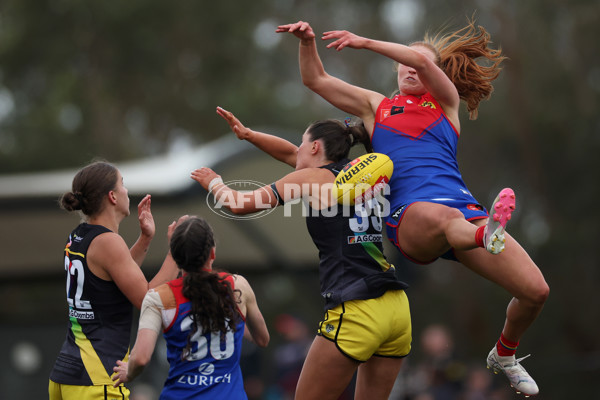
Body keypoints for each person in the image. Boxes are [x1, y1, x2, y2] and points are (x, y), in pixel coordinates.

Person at [276, 20, 549, 396]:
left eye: (420, 63)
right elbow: (316, 81)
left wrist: (366, 41)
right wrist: (307, 42)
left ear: (435, 73)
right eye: (405, 61)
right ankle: (485, 235)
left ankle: (504, 354)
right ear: (396, 68)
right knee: (445, 218)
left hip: (464, 211)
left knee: (535, 291)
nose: (410, 66)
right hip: (411, 218)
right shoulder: (377, 107)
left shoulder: (447, 104)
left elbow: (421, 65)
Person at [190, 107, 412, 400]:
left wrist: (213, 182)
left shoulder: (311, 178)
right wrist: (248, 135)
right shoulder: (358, 174)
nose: (296, 153)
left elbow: (238, 203)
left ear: (316, 147)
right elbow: (291, 153)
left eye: (303, 146)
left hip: (357, 308)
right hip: (396, 309)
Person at [48, 160, 180, 400]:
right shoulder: (109, 242)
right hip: (98, 378)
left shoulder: (79, 235)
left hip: (66, 376)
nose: (126, 191)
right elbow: (146, 300)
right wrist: (176, 253)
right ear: (112, 196)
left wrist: (145, 239)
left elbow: (113, 277)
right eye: (123, 184)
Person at [111, 216, 270, 400]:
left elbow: (140, 359)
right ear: (212, 253)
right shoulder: (237, 286)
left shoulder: (158, 298)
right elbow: (262, 339)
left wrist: (129, 373)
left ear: (176, 256)